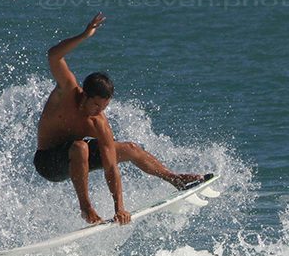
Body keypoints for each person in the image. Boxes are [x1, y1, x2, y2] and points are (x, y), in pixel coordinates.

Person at [33, 13, 204, 225]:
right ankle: (86, 209)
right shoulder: (67, 90)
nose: (99, 111)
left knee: (130, 148)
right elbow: (53, 56)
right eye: (96, 104)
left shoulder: (98, 123)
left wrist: (119, 207)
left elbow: (111, 166)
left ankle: (174, 179)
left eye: (104, 107)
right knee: (80, 147)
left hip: (77, 160)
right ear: (84, 94)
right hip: (48, 162)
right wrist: (85, 35)